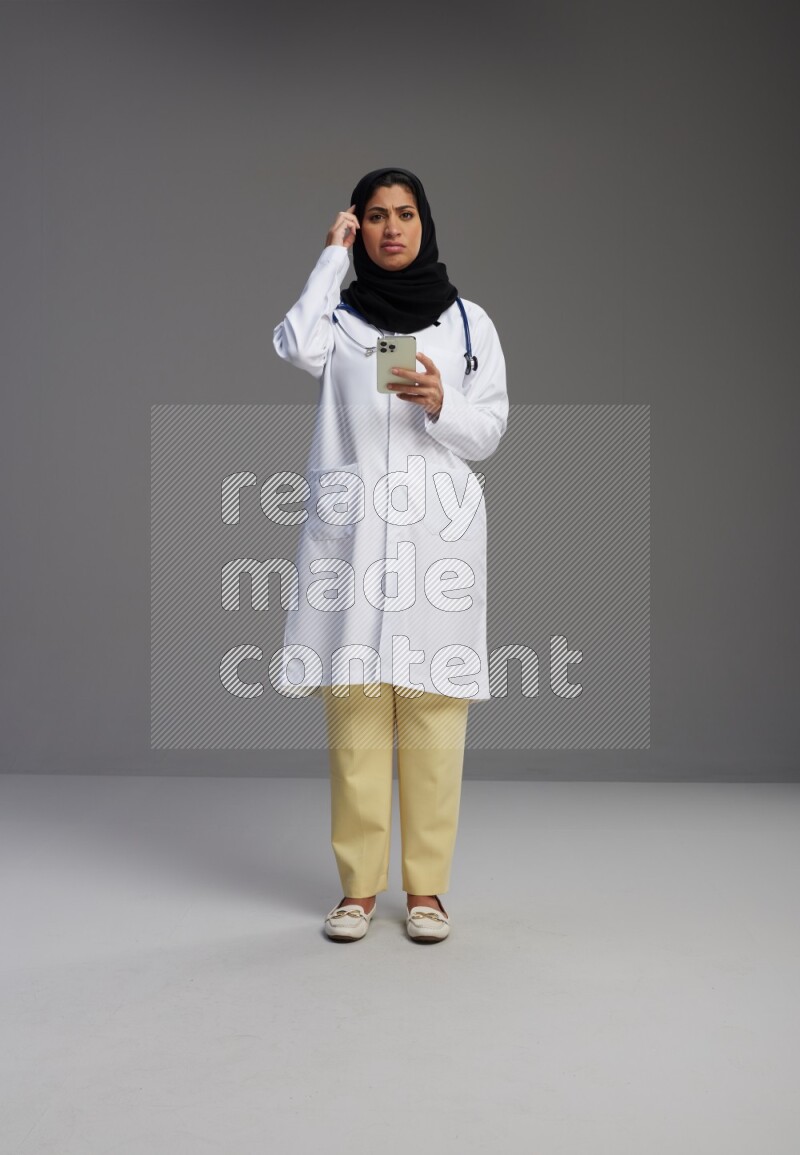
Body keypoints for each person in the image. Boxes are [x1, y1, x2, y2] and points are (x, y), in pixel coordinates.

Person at [273, 167, 509, 943]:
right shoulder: (338, 318)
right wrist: (329, 258)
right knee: (357, 717)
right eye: (374, 216)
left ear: (424, 222)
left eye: (404, 214)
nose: (392, 228)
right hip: (355, 540)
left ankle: (427, 891)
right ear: (359, 227)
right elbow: (293, 343)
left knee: (435, 716)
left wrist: (444, 405)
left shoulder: (468, 322)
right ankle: (357, 891)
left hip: (437, 538)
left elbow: (490, 429)